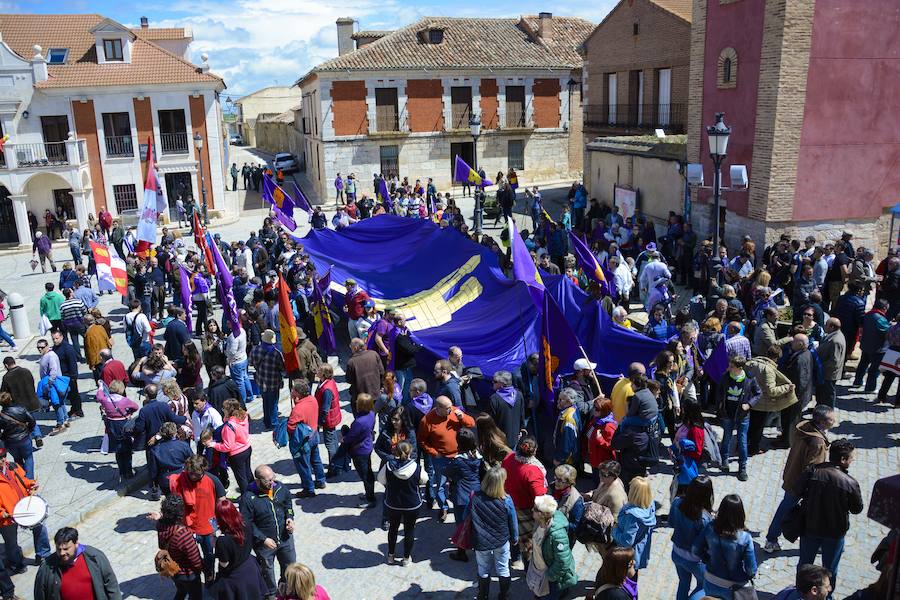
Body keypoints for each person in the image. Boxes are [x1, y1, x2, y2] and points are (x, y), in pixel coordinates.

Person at [765, 404, 835, 554]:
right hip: (801, 484)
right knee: (793, 510)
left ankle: (772, 538)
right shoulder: (817, 443)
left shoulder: (806, 430)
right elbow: (812, 469)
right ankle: (772, 539)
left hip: (793, 476)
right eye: (831, 419)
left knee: (785, 507)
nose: (833, 421)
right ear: (821, 422)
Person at [796, 439, 863, 594]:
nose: (853, 460)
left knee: (804, 565)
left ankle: (801, 593)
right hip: (834, 532)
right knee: (830, 569)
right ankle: (827, 596)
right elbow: (856, 509)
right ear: (843, 460)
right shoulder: (850, 483)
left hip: (810, 527)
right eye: (851, 458)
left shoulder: (812, 471)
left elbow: (797, 491)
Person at [417, 395, 476, 521]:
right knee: (440, 485)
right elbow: (422, 440)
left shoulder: (455, 412)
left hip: (458, 456)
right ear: (438, 408)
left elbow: (471, 423)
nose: (451, 410)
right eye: (447, 408)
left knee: (459, 483)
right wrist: (433, 452)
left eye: (451, 407)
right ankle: (443, 507)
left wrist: (462, 417)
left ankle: (458, 505)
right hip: (441, 459)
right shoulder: (427, 420)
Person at [241, 464, 296, 597]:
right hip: (265, 545)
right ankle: (271, 594)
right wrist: (263, 538)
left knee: (290, 567)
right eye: (268, 480)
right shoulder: (248, 497)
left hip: (285, 539)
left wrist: (290, 517)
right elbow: (246, 523)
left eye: (273, 478)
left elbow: (288, 503)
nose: (272, 483)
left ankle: (287, 589)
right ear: (258, 481)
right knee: (267, 571)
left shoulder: (280, 488)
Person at [167, 454, 225, 579]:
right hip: (188, 527)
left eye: (197, 474)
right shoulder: (179, 481)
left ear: (204, 470)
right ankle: (196, 577)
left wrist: (221, 524)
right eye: (191, 473)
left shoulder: (213, 480)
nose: (193, 477)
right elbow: (173, 504)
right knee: (189, 557)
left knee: (209, 554)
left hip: (209, 526)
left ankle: (209, 576)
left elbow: (222, 501)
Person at [692, 494, 757, 599]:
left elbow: (695, 549)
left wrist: (708, 560)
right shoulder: (745, 538)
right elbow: (751, 570)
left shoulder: (710, 528)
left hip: (711, 580)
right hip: (734, 587)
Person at [467, 466, 518, 600]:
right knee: (503, 568)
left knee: (483, 568)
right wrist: (515, 538)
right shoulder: (506, 500)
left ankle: (483, 595)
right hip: (501, 540)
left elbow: (469, 517)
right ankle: (504, 595)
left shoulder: (474, 496)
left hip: (480, 540)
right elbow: (512, 521)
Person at [376, 440, 428, 566]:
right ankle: (405, 558)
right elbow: (424, 480)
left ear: (395, 452)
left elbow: (380, 479)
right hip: (412, 504)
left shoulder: (388, 466)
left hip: (393, 503)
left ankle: (391, 556)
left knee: (393, 529)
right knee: (409, 530)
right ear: (410, 452)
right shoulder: (416, 467)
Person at [34, 526, 120, 600]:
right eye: (58, 549)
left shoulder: (95, 557)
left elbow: (111, 585)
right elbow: (40, 595)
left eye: (66, 549)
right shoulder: (46, 567)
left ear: (76, 544)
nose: (62, 553)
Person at [208, 498, 267, 597]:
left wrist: (215, 542)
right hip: (251, 567)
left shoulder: (223, 541)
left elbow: (224, 564)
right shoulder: (246, 523)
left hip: (235, 577)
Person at [502, 435, 548, 564]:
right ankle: (528, 570)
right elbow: (539, 496)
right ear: (534, 451)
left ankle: (515, 558)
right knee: (527, 543)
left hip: (509, 503)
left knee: (513, 532)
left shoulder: (509, 458)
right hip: (526, 510)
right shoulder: (533, 471)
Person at [716, 356, 761, 481]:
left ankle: (742, 467)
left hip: (742, 415)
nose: (729, 368)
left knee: (742, 441)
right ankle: (724, 459)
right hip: (728, 413)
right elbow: (719, 392)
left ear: (739, 368)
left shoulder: (749, 378)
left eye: (732, 366)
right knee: (727, 437)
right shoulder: (725, 377)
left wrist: (749, 404)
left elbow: (758, 393)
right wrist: (720, 406)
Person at [746, 345, 797, 456]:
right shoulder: (768, 369)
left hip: (750, 400)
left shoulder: (752, 363)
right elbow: (771, 391)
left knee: (750, 425)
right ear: (777, 357)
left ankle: (743, 445)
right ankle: (752, 449)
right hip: (761, 403)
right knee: (758, 428)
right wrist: (787, 388)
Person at [669, 475, 714, 600]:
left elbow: (671, 522)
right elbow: (707, 543)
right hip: (695, 560)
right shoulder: (704, 518)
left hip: (677, 554)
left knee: (683, 583)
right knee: (703, 586)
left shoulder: (677, 502)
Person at [528, 494, 577, 600]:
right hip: (539, 571)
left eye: (535, 509)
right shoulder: (539, 522)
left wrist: (549, 576)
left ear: (542, 514)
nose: (532, 509)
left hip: (551, 578)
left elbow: (563, 561)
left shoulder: (558, 535)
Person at [155, 494, 204, 599]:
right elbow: (195, 561)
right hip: (188, 575)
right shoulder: (184, 535)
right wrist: (204, 569)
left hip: (173, 570)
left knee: (181, 591)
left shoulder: (160, 526)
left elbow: (161, 546)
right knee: (196, 596)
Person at [444, 428, 482, 561]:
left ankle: (461, 552)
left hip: (461, 495)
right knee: (476, 522)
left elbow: (447, 472)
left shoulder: (458, 461)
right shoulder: (479, 456)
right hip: (477, 492)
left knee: (461, 525)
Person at [286, 379, 326, 498]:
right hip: (314, 435)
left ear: (297, 393)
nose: (291, 391)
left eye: (293, 389)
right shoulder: (312, 399)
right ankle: (320, 481)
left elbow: (290, 426)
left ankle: (308, 489)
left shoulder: (298, 409)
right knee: (316, 460)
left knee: (303, 465)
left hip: (304, 441)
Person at [205, 399, 253, 494]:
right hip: (247, 448)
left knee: (241, 478)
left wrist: (213, 444)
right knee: (248, 473)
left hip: (237, 454)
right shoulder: (243, 416)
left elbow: (227, 446)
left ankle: (247, 497)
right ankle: (254, 492)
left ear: (228, 410)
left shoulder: (229, 427)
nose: (222, 409)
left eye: (224, 408)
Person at [612, 476, 656, 578]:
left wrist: (614, 529)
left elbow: (627, 541)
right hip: (639, 551)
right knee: (633, 579)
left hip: (626, 556)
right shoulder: (650, 505)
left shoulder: (632, 516)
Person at [95, 381, 138, 482]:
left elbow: (99, 396)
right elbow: (136, 407)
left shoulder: (105, 400)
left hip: (111, 425)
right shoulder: (124, 400)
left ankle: (122, 472)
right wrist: (128, 412)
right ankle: (129, 472)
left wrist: (101, 386)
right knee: (127, 450)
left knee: (118, 450)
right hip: (123, 424)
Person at [249, 329, 285, 430]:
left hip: (261, 380)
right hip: (273, 382)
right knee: (273, 402)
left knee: (265, 401)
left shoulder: (255, 350)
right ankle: (274, 423)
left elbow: (251, 362)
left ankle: (267, 421)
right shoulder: (276, 353)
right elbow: (282, 368)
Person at [148, 422, 192, 495]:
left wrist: (153, 484)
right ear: (175, 433)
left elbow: (153, 470)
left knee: (171, 503)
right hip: (183, 477)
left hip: (166, 481)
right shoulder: (183, 445)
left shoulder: (155, 450)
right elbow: (192, 461)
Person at [346, 338, 384, 415]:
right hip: (375, 393)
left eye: (351, 346)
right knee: (372, 416)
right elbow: (382, 372)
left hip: (361, 398)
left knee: (361, 418)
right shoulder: (374, 354)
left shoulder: (351, 362)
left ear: (355, 348)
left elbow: (349, 380)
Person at [51, 328, 82, 420]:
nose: (55, 340)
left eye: (56, 338)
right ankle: (74, 409)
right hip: (62, 375)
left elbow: (72, 363)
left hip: (69, 376)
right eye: (53, 339)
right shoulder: (55, 348)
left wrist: (73, 376)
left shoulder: (68, 348)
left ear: (61, 337)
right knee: (69, 395)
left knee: (74, 394)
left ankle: (78, 411)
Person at [488, 370, 525, 449]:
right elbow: (522, 416)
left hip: (500, 440)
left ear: (501, 385)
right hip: (515, 438)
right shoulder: (519, 394)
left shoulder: (494, 399)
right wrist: (520, 431)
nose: (492, 382)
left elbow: (491, 422)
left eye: (495, 381)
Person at [551, 464, 584, 548]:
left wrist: (555, 523)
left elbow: (574, 527)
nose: (556, 482)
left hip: (563, 540)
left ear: (570, 482)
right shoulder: (551, 487)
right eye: (555, 478)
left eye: (560, 480)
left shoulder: (576, 501)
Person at [816, 318, 846, 408]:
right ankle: (820, 408)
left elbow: (834, 361)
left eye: (826, 324)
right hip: (826, 372)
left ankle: (828, 412)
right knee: (822, 393)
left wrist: (820, 366)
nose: (824, 326)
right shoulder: (834, 335)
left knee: (828, 394)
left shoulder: (835, 340)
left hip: (829, 374)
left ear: (832, 327)